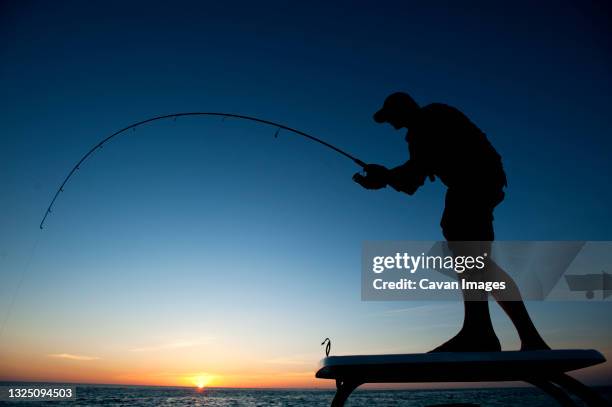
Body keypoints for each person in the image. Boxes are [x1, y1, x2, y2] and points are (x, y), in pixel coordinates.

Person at [354, 92, 550, 352]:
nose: (390, 124)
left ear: (404, 109)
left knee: (469, 254)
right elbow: (413, 178)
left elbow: (413, 175)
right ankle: (513, 336)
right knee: (477, 263)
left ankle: (480, 333)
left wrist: (384, 176)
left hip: (473, 184)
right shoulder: (427, 123)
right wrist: (386, 176)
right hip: (480, 185)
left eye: (391, 117)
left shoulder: (428, 120)